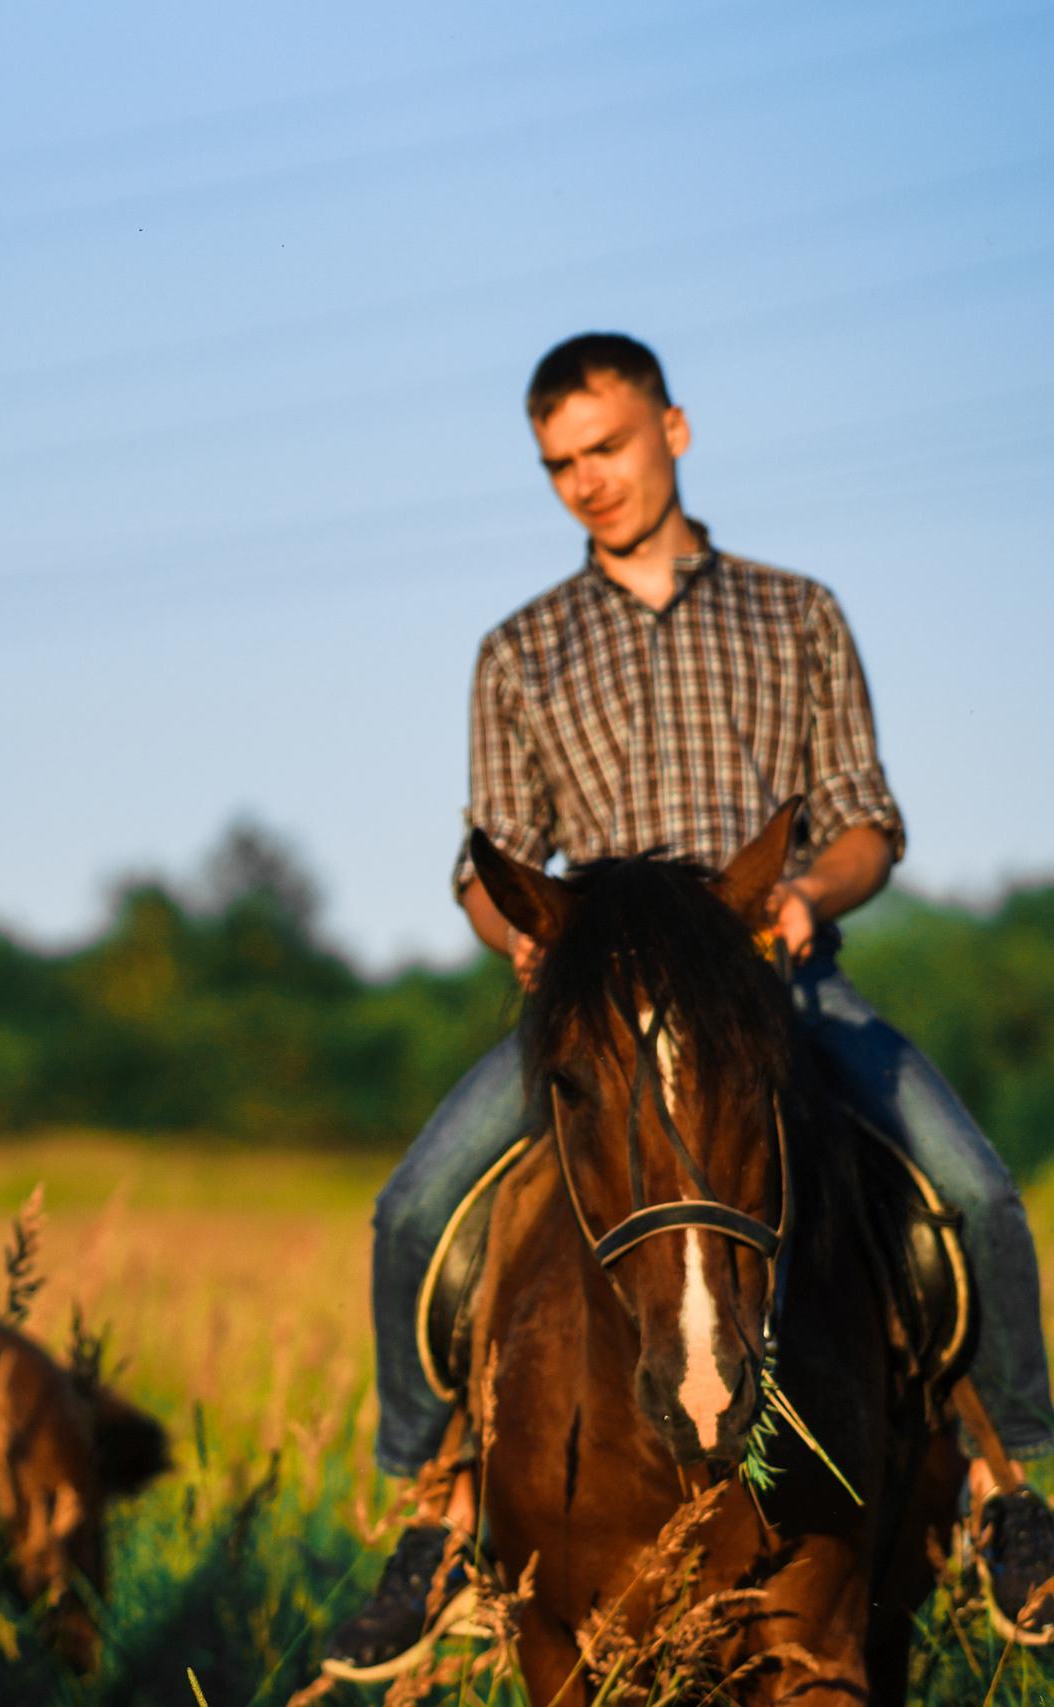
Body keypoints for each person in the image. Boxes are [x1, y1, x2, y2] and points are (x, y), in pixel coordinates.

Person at [324, 332, 1054, 1677]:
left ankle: (1014, 1493)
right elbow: (485, 862)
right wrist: (529, 940)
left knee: (975, 1187)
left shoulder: (798, 614)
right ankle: (428, 1511)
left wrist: (807, 896)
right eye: (559, 467)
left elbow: (865, 823)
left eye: (606, 447)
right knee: (415, 1205)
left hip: (778, 990)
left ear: (675, 428)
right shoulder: (521, 650)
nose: (587, 482)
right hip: (600, 1010)